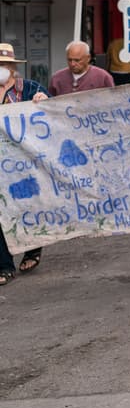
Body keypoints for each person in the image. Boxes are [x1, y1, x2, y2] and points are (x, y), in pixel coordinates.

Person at [0, 43, 49, 285]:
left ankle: (33, 247)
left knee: (26, 206)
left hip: (23, 163)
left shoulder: (29, 88)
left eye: (4, 65)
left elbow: (50, 113)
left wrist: (43, 101)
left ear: (12, 68)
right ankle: (4, 264)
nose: (1, 68)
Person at [49, 41, 114, 95]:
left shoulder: (103, 77)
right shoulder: (57, 78)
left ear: (88, 58)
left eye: (77, 60)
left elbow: (113, 101)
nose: (73, 64)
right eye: (69, 60)